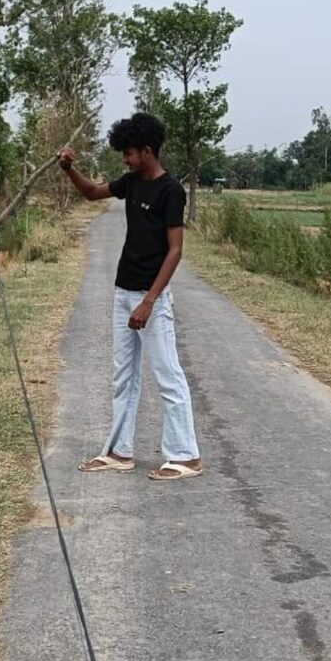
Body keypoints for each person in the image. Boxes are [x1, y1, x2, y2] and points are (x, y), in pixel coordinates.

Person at [58, 112, 202, 480]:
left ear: (147, 151)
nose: (125, 159)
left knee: (167, 374)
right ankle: (119, 452)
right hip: (124, 291)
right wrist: (69, 169)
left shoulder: (171, 191)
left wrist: (149, 301)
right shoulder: (132, 182)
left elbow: (175, 251)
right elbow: (92, 193)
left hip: (150, 298)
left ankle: (185, 456)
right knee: (123, 377)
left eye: (129, 153)